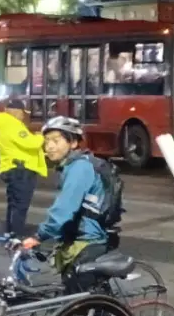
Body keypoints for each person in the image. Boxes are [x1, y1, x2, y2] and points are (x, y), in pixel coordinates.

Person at [20, 117, 110, 293]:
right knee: (74, 298)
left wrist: (39, 236)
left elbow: (64, 209)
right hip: (78, 240)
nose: (49, 147)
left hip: (87, 242)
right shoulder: (72, 166)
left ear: (73, 143)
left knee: (77, 303)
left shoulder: (79, 168)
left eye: (56, 141)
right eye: (47, 141)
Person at [0, 98, 47, 238]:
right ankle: (17, 235)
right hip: (21, 170)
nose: (23, 115)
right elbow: (31, 143)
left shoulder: (2, 124)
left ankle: (10, 232)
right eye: (22, 112)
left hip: (12, 167)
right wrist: (41, 136)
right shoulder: (12, 125)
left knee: (13, 203)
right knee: (21, 205)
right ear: (16, 111)